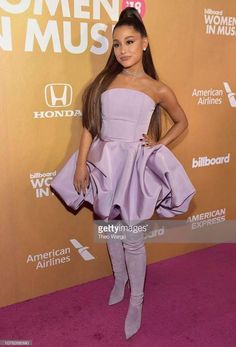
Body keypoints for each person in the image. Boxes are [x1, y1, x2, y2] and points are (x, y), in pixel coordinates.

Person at [52, 6, 196, 340]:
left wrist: (157, 144)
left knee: (132, 237)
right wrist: (80, 164)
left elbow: (182, 121)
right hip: (103, 163)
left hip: (133, 167)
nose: (123, 50)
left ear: (144, 43)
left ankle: (138, 299)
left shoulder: (157, 88)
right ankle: (119, 278)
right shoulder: (105, 81)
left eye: (129, 42)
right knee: (109, 229)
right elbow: (91, 126)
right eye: (117, 44)